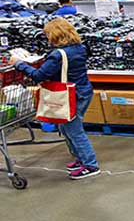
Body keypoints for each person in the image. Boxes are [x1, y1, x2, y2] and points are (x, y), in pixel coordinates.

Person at [9, 19, 99, 179]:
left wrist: (19, 64)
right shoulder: (81, 47)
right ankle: (80, 159)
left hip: (70, 95)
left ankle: (90, 165)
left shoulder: (58, 55)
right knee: (67, 128)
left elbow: (38, 76)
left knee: (74, 131)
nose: (47, 38)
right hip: (83, 90)